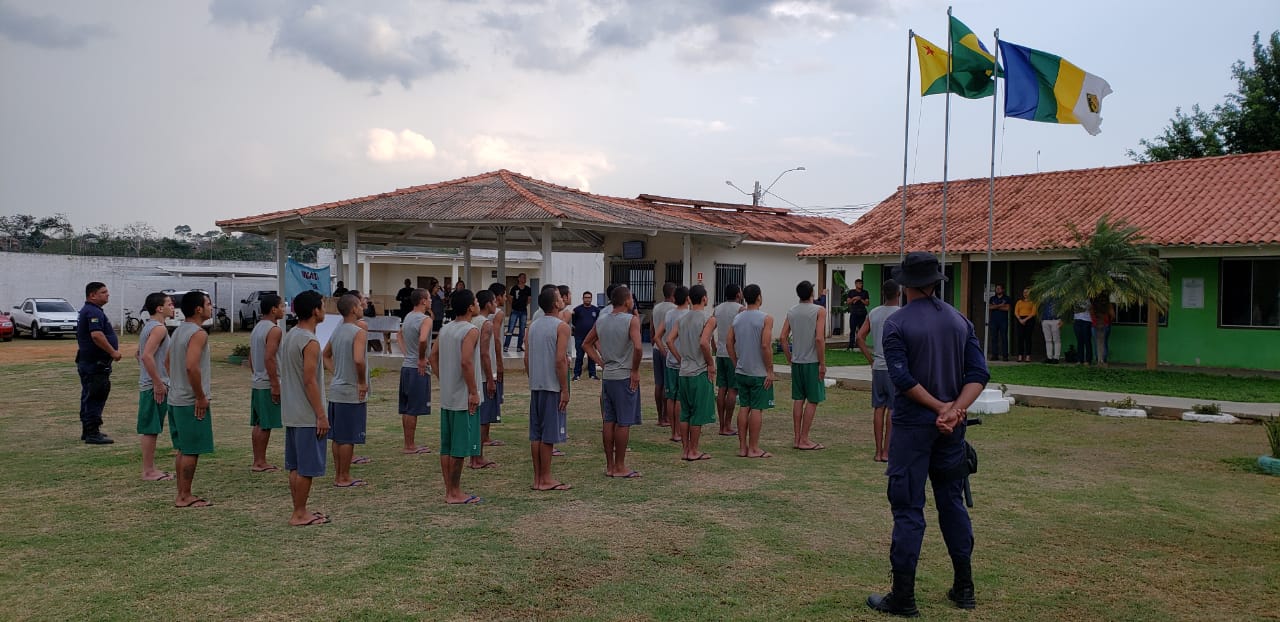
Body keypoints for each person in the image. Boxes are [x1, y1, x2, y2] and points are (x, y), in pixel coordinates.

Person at [866, 251, 989, 616]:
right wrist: (955, 410)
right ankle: (964, 587)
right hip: (952, 430)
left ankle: (903, 596)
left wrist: (938, 408)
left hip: (912, 428)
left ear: (905, 285)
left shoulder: (897, 324)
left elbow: (901, 379)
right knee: (951, 502)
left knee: (907, 508)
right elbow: (978, 373)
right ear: (936, 282)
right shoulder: (960, 321)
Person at [428, 289, 484, 504]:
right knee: (459, 447)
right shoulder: (470, 330)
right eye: (476, 301)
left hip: (448, 396)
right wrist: (472, 391)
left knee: (447, 445)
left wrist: (445, 379)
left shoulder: (445, 329)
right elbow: (466, 361)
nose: (478, 304)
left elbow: (433, 357)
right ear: (470, 307)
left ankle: (449, 489)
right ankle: (455, 492)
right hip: (462, 397)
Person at [281, 290, 331, 526]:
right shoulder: (310, 342)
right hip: (306, 414)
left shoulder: (291, 335)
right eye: (322, 305)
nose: (325, 309)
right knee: (307, 467)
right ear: (315, 311)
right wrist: (321, 415)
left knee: (296, 466)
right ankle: (299, 513)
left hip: (292, 412)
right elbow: (309, 380)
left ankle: (299, 509)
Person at [583, 285, 643, 478]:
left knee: (609, 420)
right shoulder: (631, 320)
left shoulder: (601, 320)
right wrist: (634, 369)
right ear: (627, 301)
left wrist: (602, 362)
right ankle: (620, 466)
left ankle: (610, 466)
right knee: (623, 422)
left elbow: (586, 343)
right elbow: (639, 347)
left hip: (608, 377)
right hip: (624, 375)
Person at [168, 290, 214, 508]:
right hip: (189, 401)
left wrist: (176, 383)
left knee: (183, 448)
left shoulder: (178, 331)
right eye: (208, 303)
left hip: (176, 397)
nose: (211, 307)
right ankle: (184, 496)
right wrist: (200, 396)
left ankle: (183, 492)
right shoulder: (198, 333)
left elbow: (168, 362)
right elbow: (191, 366)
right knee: (191, 449)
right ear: (198, 309)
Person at [524, 286, 572, 491]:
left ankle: (538, 478)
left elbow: (527, 358)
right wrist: (564, 388)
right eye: (560, 297)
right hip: (552, 386)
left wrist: (533, 376)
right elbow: (560, 360)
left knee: (537, 434)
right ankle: (546, 478)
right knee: (549, 435)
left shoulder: (533, 325)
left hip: (536, 384)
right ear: (555, 303)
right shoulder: (561, 326)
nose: (563, 299)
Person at [323, 293, 369, 488]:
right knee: (348, 436)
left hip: (336, 389)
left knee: (337, 436)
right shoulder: (357, 331)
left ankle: (339, 474)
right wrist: (361, 382)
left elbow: (325, 355)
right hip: (350, 391)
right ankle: (344, 476)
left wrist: (337, 371)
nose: (362, 307)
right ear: (353, 309)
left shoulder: (338, 330)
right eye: (360, 305)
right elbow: (359, 360)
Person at [667, 284, 717, 462]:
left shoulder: (682, 319)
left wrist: (681, 358)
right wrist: (710, 364)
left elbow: (669, 340)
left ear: (689, 299)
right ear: (705, 298)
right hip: (699, 371)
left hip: (684, 371)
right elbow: (704, 342)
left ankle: (686, 450)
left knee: (685, 412)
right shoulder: (708, 318)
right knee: (697, 412)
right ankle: (694, 450)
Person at [727, 284, 774, 459]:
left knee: (744, 406)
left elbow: (728, 342)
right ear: (759, 297)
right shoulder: (766, 318)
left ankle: (742, 447)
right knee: (756, 408)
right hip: (758, 371)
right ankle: (754, 448)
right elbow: (765, 345)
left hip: (742, 370)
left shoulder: (738, 318)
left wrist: (735, 361)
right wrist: (770, 370)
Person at [856, 279, 901, 463]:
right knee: (892, 408)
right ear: (898, 294)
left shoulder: (873, 312)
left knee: (878, 408)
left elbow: (860, 337)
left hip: (878, 367)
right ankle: (887, 451)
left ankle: (877, 451)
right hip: (894, 368)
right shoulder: (901, 314)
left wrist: (870, 358)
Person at [780, 280, 828, 451]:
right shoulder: (819, 310)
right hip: (812, 361)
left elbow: (783, 337)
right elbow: (819, 338)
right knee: (813, 400)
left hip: (797, 362)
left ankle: (797, 438)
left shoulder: (792, 311)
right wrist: (822, 363)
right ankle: (805, 439)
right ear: (812, 294)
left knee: (798, 399)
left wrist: (789, 358)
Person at [75, 281, 122, 444]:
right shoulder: (92, 312)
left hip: (92, 362)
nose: (107, 294)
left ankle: (88, 430)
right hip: (95, 363)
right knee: (96, 395)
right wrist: (113, 352)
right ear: (92, 295)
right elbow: (97, 335)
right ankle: (92, 432)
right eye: (103, 292)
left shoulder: (92, 310)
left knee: (90, 395)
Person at [136, 292, 174, 481]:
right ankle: (149, 470)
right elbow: (145, 356)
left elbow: (139, 354)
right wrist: (158, 382)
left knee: (152, 427)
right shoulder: (159, 329)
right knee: (151, 428)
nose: (173, 307)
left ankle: (150, 468)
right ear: (160, 308)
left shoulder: (149, 327)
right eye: (170, 304)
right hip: (153, 386)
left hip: (150, 383)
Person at [249, 294, 285, 473]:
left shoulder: (257, 328)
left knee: (259, 423)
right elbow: (269, 357)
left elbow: (251, 357)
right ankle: (260, 462)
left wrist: (257, 374)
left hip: (257, 381)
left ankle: (258, 459)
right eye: (281, 306)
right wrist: (274, 384)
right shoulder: (274, 330)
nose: (284, 309)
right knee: (265, 424)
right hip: (267, 382)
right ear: (273, 309)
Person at [398, 288, 434, 454]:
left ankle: (408, 443)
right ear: (423, 301)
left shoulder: (408, 317)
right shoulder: (425, 319)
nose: (431, 301)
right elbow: (423, 339)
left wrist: (407, 353)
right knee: (413, 409)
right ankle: (410, 445)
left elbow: (399, 335)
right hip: (416, 368)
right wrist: (420, 358)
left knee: (406, 407)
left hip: (407, 366)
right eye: (429, 298)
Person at [468, 290, 499, 469]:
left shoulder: (471, 321)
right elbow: (484, 353)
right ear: (488, 303)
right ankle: (477, 457)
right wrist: (490, 378)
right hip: (481, 375)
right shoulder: (485, 323)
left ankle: (475, 455)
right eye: (494, 301)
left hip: (472, 373)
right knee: (481, 417)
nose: (496, 304)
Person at [712, 284, 744, 436]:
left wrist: (714, 347)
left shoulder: (717, 309)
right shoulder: (740, 309)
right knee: (733, 389)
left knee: (722, 388)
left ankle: (721, 424)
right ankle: (728, 425)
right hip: (734, 353)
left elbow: (710, 329)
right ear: (738, 294)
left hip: (721, 352)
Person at [660, 286, 690, 443]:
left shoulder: (670, 314)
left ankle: (674, 431)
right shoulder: (688, 315)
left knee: (671, 397)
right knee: (680, 398)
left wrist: (667, 353)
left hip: (670, 360)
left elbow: (660, 336)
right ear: (687, 298)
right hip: (683, 360)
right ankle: (678, 431)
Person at [650, 283, 677, 428]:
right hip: (668, 349)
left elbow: (652, 329)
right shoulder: (674, 310)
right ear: (673, 294)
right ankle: (666, 416)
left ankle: (660, 416)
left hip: (656, 348)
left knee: (658, 384)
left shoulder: (656, 307)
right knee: (669, 385)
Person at [485, 283, 508, 448]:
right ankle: (485, 436)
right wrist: (500, 362)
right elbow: (497, 338)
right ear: (498, 296)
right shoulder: (498, 314)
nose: (506, 299)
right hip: (492, 358)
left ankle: (485, 435)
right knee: (490, 396)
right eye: (504, 295)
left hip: (487, 357)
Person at [571, 291, 600, 380]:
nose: (587, 299)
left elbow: (598, 322)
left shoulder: (596, 310)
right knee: (579, 355)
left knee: (592, 356)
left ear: (591, 299)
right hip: (579, 336)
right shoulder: (577, 310)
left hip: (591, 338)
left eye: (589, 297)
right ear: (583, 299)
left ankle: (592, 375)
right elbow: (574, 322)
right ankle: (577, 375)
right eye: (586, 297)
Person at [503, 273, 532, 353]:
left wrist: (524, 304)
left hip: (523, 311)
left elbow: (529, 299)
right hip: (515, 311)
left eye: (525, 278)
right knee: (510, 328)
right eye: (522, 277)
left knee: (522, 329)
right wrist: (514, 305)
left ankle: (519, 346)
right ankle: (506, 346)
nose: (524, 279)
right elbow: (510, 298)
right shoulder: (514, 288)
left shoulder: (528, 289)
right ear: (519, 279)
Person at [987, 284, 1011, 362]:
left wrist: (995, 306)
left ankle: (1005, 356)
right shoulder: (992, 298)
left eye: (999, 288)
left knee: (1004, 338)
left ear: (1003, 290)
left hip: (1003, 321)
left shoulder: (1007, 298)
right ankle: (994, 355)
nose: (997, 290)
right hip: (994, 321)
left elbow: (1007, 308)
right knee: (994, 338)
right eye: (996, 288)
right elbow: (989, 307)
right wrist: (1001, 305)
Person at [1014, 287, 1038, 363]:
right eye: (1024, 292)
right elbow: (1016, 312)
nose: (1025, 294)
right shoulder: (1019, 302)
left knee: (1028, 338)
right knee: (1020, 338)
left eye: (1027, 292)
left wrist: (1025, 320)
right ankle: (1020, 355)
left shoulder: (1033, 302)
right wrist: (1020, 319)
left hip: (1029, 320)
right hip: (1020, 320)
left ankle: (1028, 356)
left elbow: (1033, 313)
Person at [844, 278, 870, 351]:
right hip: (854, 313)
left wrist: (860, 299)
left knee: (862, 330)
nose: (860, 285)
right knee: (852, 329)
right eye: (859, 283)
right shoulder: (851, 292)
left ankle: (861, 345)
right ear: (855, 284)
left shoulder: (865, 292)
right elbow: (848, 302)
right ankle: (851, 345)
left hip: (862, 313)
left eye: (861, 283)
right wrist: (854, 298)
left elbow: (867, 303)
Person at [1091, 296, 1116, 367]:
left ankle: (1099, 361)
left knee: (1097, 343)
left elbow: (1091, 314)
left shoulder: (1093, 304)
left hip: (1095, 325)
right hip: (1105, 325)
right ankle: (1103, 361)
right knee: (1104, 343)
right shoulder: (1107, 304)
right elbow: (1113, 315)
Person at [1040, 295, 1061, 364]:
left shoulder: (1059, 296)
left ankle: (1056, 358)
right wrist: (1042, 320)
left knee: (1056, 339)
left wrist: (1062, 320)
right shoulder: (1044, 296)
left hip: (1055, 319)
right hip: (1045, 320)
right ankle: (1049, 357)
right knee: (1047, 340)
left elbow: (1063, 307)